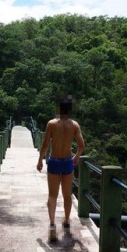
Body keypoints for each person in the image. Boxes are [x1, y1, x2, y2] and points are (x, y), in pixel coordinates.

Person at [36, 95, 85, 242]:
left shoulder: (51, 124)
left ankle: (52, 225)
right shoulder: (74, 125)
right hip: (67, 162)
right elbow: (82, 146)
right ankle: (67, 220)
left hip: (54, 161)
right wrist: (76, 157)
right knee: (67, 194)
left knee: (52, 195)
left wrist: (40, 160)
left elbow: (45, 145)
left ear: (58, 108)